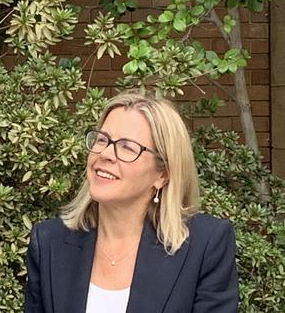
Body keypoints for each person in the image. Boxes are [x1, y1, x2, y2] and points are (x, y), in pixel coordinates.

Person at [24, 91, 238, 313]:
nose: (105, 153)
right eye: (102, 139)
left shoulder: (205, 245)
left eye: (127, 147)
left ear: (162, 174)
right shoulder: (49, 241)